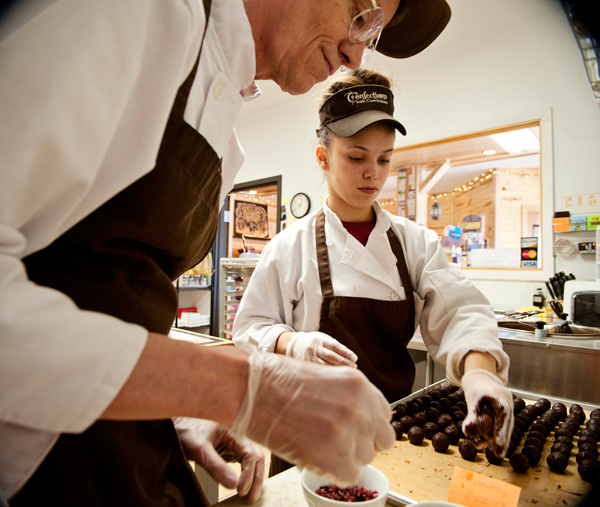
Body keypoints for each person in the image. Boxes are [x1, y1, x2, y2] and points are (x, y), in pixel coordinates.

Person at [0, 0, 452, 505]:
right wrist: (236, 386)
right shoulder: (133, 13)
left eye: (372, 33)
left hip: (125, 442)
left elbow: (97, 295)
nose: (354, 53)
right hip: (40, 463)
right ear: (325, 158)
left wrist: (172, 408)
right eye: (360, 11)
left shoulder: (221, 123)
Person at [232, 68, 515, 476]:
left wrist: (480, 375)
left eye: (384, 159)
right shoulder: (289, 246)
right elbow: (249, 327)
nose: (374, 174)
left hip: (394, 430)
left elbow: (459, 310)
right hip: (308, 433)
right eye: (357, 157)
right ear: (323, 157)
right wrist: (291, 342)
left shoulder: (413, 242)